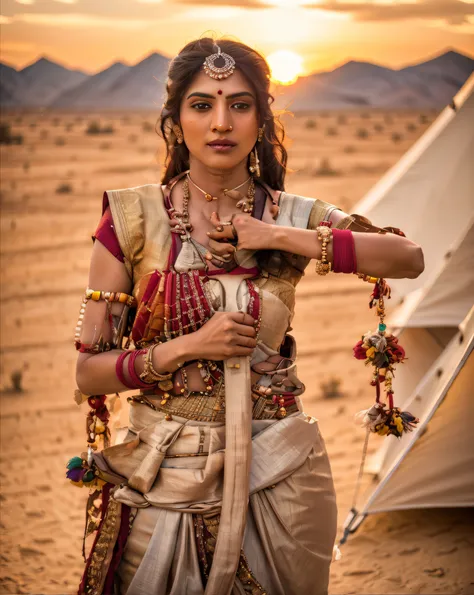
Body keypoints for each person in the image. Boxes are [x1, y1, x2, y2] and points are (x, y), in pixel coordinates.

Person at [71, 37, 424, 595]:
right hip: (166, 477)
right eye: (202, 105)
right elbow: (89, 371)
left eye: (239, 104)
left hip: (279, 477)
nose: (220, 123)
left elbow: (408, 258)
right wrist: (188, 347)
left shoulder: (294, 216)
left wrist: (277, 236)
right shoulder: (132, 219)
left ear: (261, 120)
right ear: (175, 120)